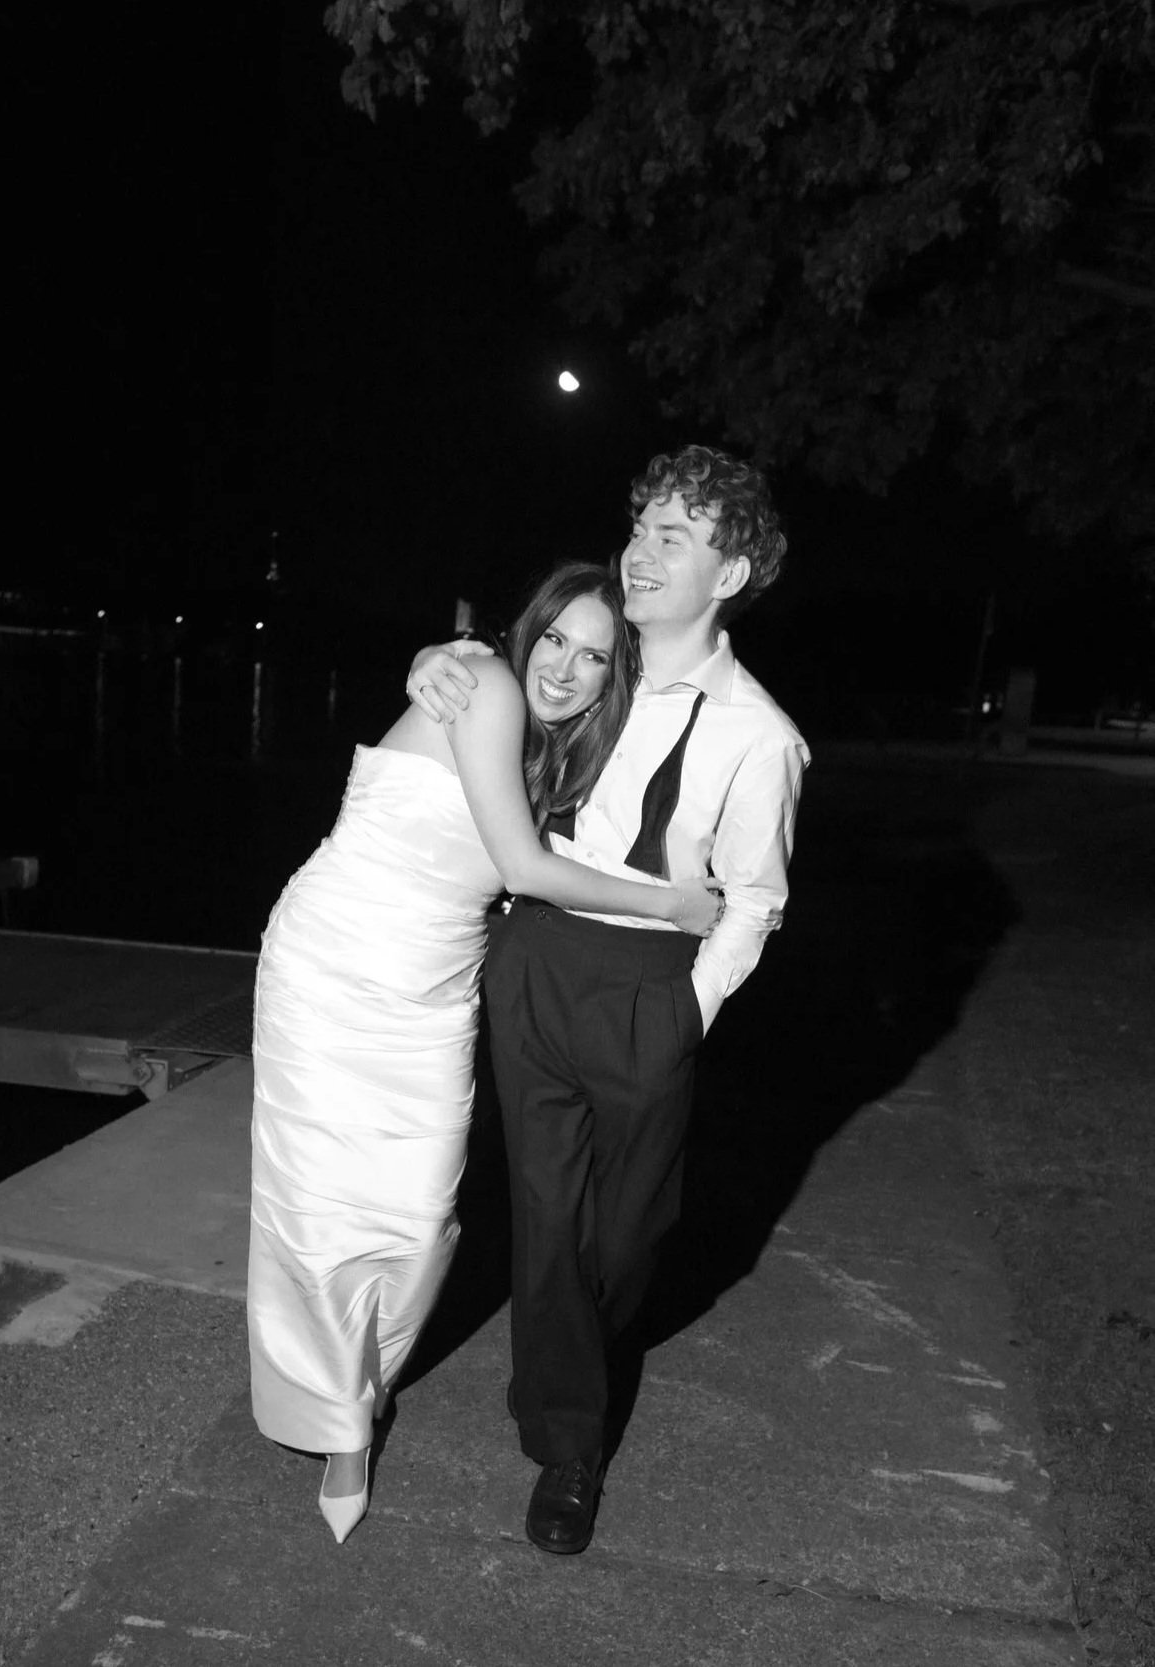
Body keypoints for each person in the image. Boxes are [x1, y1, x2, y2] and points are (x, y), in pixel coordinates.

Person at [247, 561, 723, 1546]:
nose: (564, 665)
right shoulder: (486, 683)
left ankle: (356, 1377)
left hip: (433, 987)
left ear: (611, 676)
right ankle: (341, 1422)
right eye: (554, 637)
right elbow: (519, 867)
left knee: (415, 1214)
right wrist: (674, 906)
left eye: (594, 655)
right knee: (318, 1207)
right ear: (524, 631)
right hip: (334, 964)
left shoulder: (550, 750)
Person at [409, 444, 810, 1555]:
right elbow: (496, 678)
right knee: (544, 1221)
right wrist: (432, 661)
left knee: (622, 1242)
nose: (637, 551)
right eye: (639, 526)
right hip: (535, 959)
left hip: (647, 992)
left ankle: (576, 1358)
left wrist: (687, 1010)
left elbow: (754, 901)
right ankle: (567, 1449)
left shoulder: (759, 735)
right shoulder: (587, 654)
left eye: (671, 536)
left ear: (727, 574)